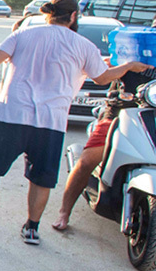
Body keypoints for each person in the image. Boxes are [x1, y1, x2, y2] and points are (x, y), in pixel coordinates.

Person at [0, 0, 151, 245]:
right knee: (41, 178)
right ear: (74, 16)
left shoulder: (24, 34)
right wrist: (127, 66)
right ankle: (32, 229)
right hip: (50, 121)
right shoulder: (83, 45)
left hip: (10, 114)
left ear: (48, 13)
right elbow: (103, 78)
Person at [53, 59, 156, 230]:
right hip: (120, 113)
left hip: (152, 118)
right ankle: (64, 212)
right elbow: (102, 72)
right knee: (86, 162)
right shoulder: (130, 51)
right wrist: (126, 65)